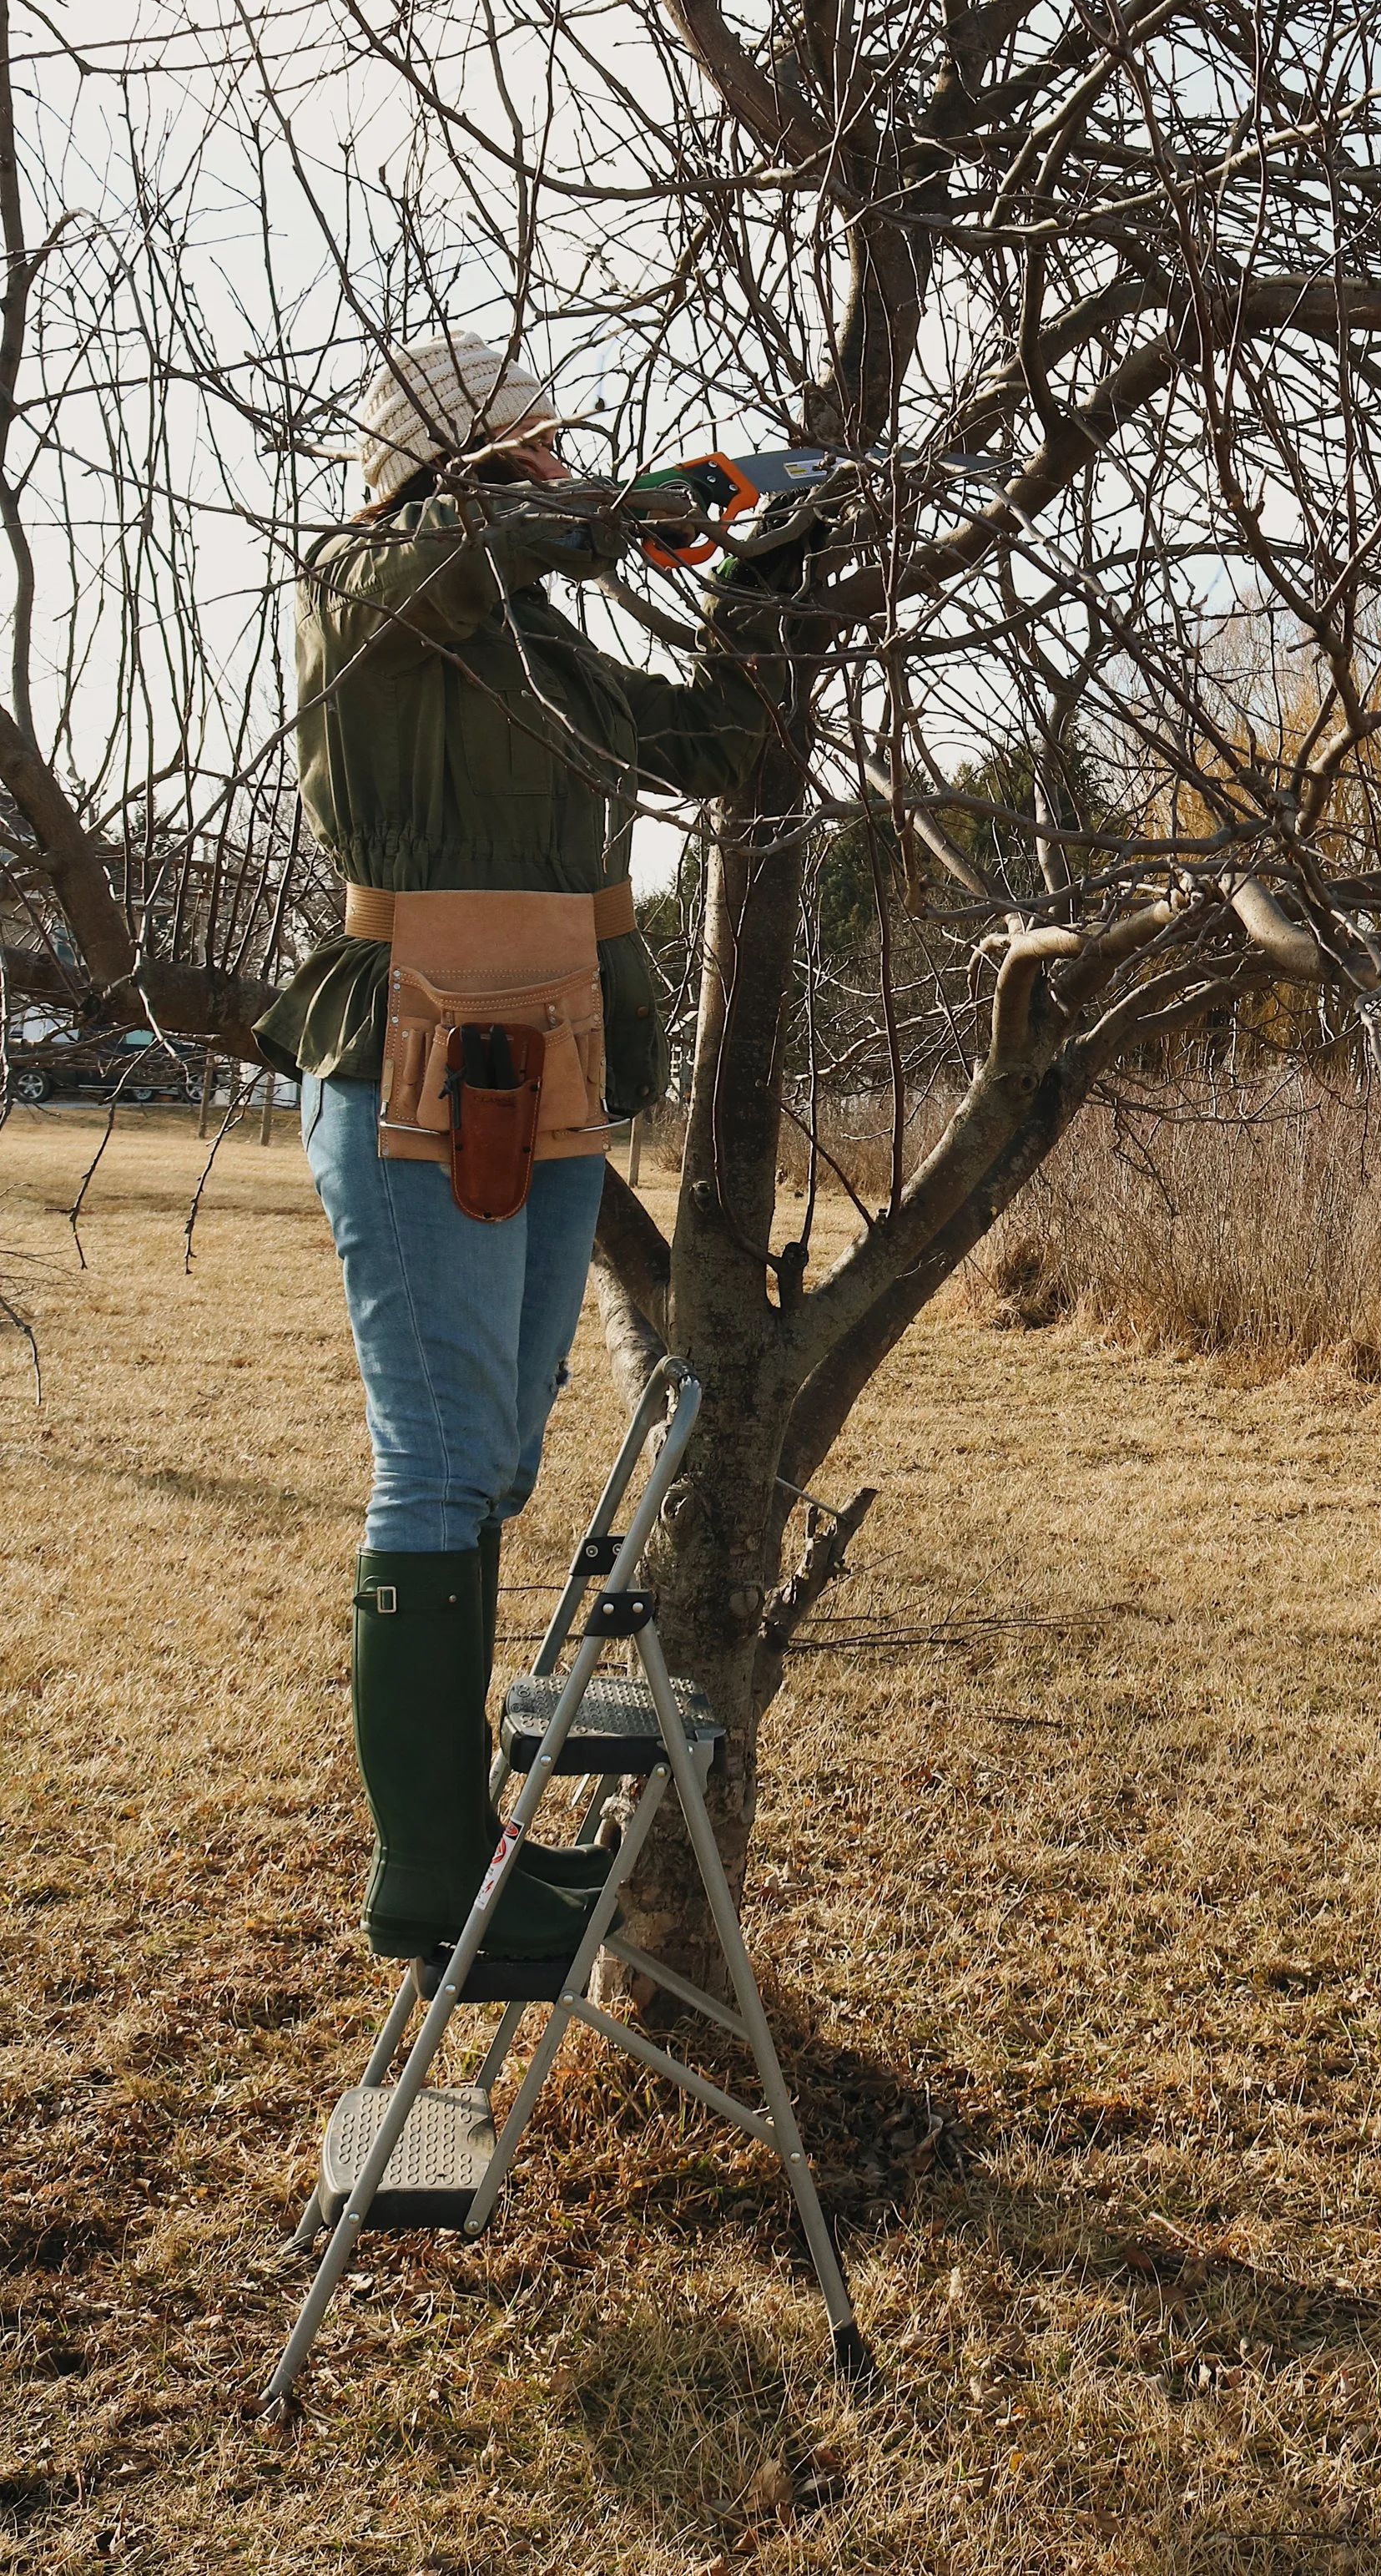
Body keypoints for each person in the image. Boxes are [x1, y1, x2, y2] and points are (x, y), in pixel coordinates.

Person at [257, 329, 782, 1965]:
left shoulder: (532, 639)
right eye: (530, 451)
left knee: (494, 1459)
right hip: (410, 1055)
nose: (557, 471)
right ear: (456, 465)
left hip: (542, 1066)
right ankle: (428, 1877)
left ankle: (473, 1854)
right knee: (434, 1459)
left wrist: (759, 590)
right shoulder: (360, 584)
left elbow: (701, 748)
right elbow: (466, 549)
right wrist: (630, 509)